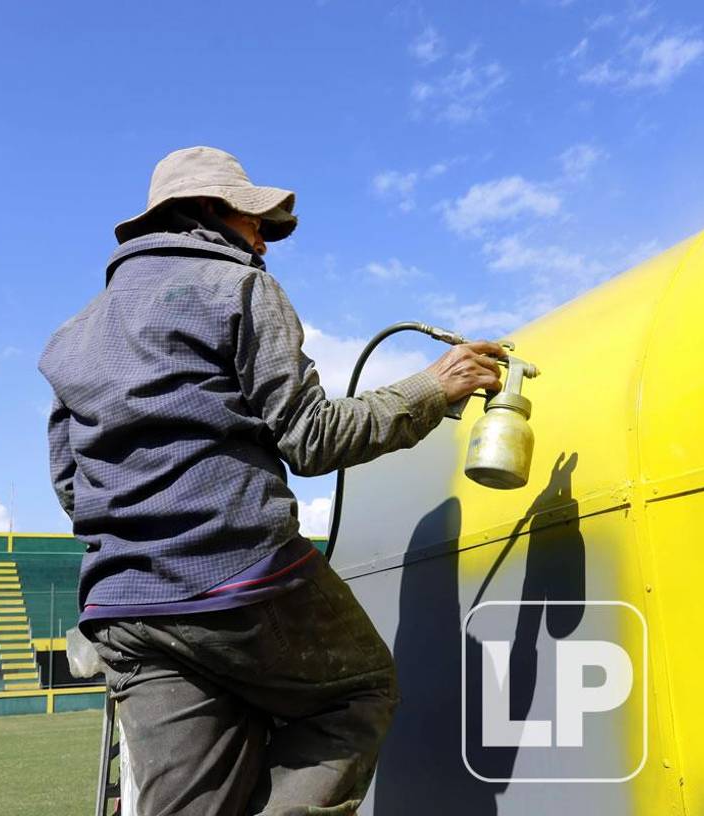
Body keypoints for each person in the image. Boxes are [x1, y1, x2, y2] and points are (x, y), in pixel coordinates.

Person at [38, 146, 504, 816]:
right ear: (206, 212)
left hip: (125, 609)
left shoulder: (72, 337)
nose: (264, 239)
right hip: (239, 577)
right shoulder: (238, 288)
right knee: (358, 689)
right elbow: (311, 437)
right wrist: (434, 386)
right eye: (254, 220)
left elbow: (71, 488)